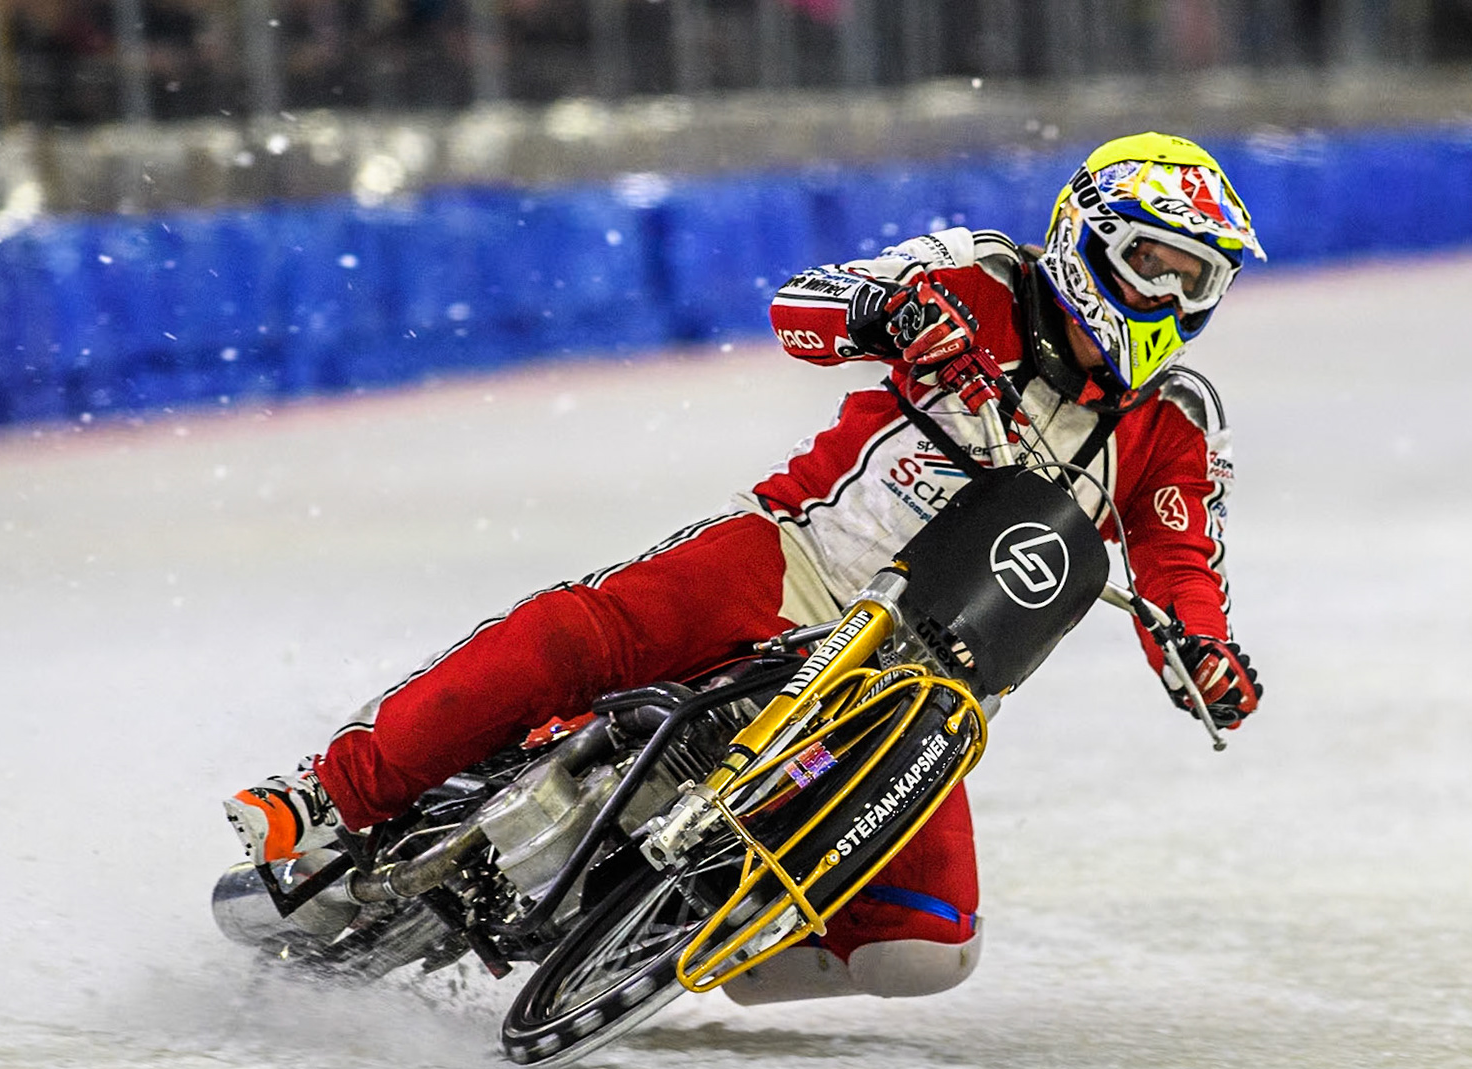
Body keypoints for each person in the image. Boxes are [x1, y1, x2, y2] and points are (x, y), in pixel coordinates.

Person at [223, 131, 1266, 1004]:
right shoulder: (977, 273)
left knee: (929, 945)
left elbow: (1182, 561)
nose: (1171, 296)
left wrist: (1205, 653)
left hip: (922, 684)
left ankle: (679, 939)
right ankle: (329, 796)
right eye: (1153, 264)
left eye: (1196, 280)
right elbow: (805, 304)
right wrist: (889, 315)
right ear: (1086, 242)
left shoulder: (1174, 423)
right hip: (797, 560)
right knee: (582, 635)